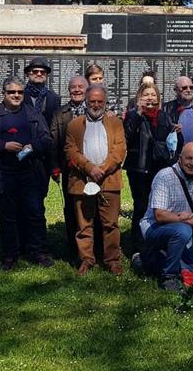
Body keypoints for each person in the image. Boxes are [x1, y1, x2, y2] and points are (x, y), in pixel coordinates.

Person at [0, 76, 54, 270]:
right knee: (7, 216)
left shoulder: (34, 115)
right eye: (12, 92)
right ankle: (10, 254)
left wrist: (30, 148)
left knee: (35, 213)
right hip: (3, 173)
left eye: (20, 92)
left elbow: (47, 139)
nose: (17, 95)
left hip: (30, 173)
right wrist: (4, 145)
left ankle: (38, 251)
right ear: (4, 94)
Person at [64, 85, 127, 276]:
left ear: (105, 102)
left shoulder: (115, 123)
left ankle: (112, 260)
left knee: (111, 224)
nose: (96, 105)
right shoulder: (74, 125)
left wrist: (103, 169)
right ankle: (86, 259)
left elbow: (119, 149)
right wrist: (89, 168)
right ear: (86, 101)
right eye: (92, 101)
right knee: (84, 225)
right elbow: (70, 151)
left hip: (109, 180)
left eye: (100, 101)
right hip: (82, 181)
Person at [139, 143, 193, 292]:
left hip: (183, 228)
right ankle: (168, 276)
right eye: (188, 158)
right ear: (179, 158)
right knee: (182, 231)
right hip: (155, 227)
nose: (192, 163)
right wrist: (187, 219)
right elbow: (159, 215)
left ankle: (146, 260)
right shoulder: (164, 176)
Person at [123, 82, 181, 256]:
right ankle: (138, 247)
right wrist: (138, 114)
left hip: (160, 169)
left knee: (160, 207)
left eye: (153, 95)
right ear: (139, 98)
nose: (150, 98)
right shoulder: (133, 115)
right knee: (141, 207)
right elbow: (126, 136)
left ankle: (158, 244)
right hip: (139, 169)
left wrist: (177, 132)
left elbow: (174, 144)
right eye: (146, 95)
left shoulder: (165, 116)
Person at [48, 75, 88, 259]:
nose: (77, 90)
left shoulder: (97, 109)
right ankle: (74, 249)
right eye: (74, 87)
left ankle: (93, 246)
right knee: (72, 208)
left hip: (94, 169)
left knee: (92, 207)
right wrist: (55, 166)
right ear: (69, 90)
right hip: (69, 169)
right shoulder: (60, 113)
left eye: (81, 86)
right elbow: (54, 141)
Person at [23, 57, 62, 126]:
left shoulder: (54, 98)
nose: (39, 74)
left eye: (42, 72)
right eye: (35, 71)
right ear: (28, 74)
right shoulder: (20, 95)